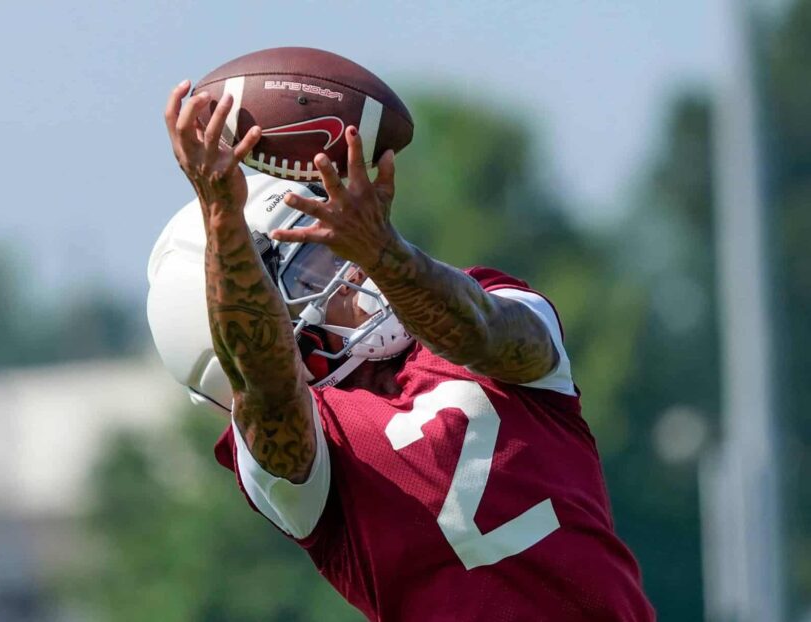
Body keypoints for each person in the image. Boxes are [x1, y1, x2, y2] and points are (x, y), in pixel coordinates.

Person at [148, 80, 655, 622]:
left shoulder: (483, 308)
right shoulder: (298, 451)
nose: (352, 270)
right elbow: (266, 385)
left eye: (340, 245)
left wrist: (383, 249)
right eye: (315, 267)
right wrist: (223, 218)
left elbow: (482, 330)